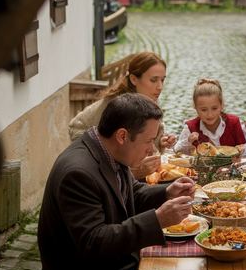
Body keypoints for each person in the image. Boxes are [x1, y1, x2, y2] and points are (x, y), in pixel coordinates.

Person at [38, 93, 196, 270]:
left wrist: (166, 192)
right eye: (147, 141)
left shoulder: (109, 151)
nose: (151, 149)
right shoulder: (78, 173)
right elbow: (94, 242)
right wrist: (158, 219)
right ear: (122, 135)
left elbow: (131, 194)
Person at [69, 51, 175, 179]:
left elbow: (143, 141)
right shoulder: (115, 104)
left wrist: (160, 143)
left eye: (162, 80)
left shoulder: (152, 99)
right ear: (134, 79)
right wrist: (104, 158)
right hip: (114, 179)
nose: (160, 87)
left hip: (144, 177)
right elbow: (76, 126)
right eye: (153, 80)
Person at [173, 78, 246, 156]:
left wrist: (242, 149)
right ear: (195, 107)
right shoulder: (191, 127)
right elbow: (177, 149)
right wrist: (189, 142)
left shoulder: (233, 122)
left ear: (222, 105)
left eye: (214, 108)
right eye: (203, 110)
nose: (210, 114)